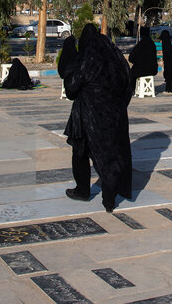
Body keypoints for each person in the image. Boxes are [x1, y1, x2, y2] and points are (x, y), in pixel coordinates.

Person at [62, 24, 134, 213]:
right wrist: (118, 105)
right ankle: (109, 200)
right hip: (114, 117)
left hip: (89, 118)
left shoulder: (88, 58)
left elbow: (71, 88)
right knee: (110, 157)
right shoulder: (115, 57)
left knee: (80, 152)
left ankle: (83, 190)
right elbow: (129, 81)